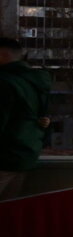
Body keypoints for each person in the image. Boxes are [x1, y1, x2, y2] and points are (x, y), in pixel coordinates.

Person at [0, 37, 51, 201]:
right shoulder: (35, 82)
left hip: (4, 156)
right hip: (25, 154)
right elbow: (42, 117)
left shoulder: (5, 82)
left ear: (3, 55)